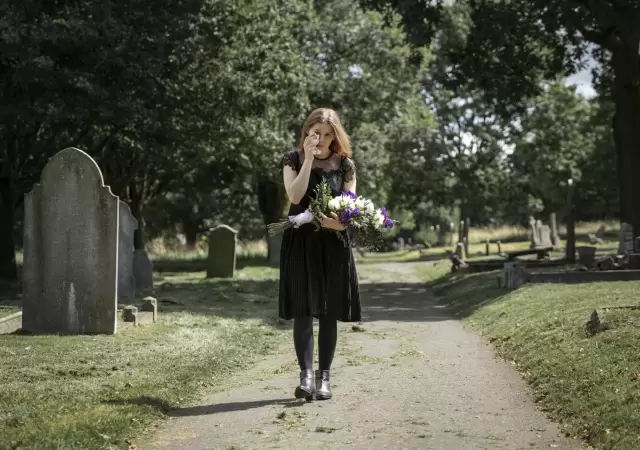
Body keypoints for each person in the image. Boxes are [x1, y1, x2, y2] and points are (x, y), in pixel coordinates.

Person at [279, 107, 361, 401]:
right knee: (302, 310)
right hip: (301, 242)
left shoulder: (346, 165)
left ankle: (324, 378)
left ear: (336, 135)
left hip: (332, 243)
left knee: (328, 312)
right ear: (307, 133)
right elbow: (295, 196)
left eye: (328, 134)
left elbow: (351, 206)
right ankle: (306, 377)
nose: (323, 139)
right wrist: (309, 159)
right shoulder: (293, 159)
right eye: (317, 133)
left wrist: (339, 222)